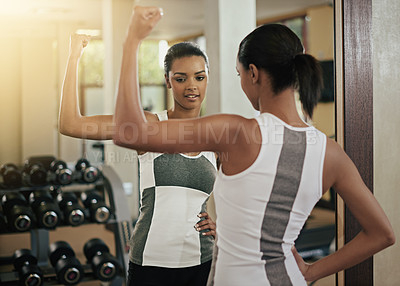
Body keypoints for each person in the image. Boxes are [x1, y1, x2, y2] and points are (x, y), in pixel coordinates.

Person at [112, 6, 395, 286]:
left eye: (239, 75)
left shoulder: (234, 132)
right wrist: (312, 272)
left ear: (253, 73)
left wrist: (131, 42)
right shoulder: (331, 152)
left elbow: (130, 133)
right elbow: (383, 234)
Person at [59, 33, 218, 285]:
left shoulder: (215, 135)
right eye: (181, 78)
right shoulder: (149, 126)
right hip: (152, 261)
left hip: (201, 260)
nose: (192, 86)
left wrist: (220, 224)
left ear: (208, 78)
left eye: (200, 77)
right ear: (167, 81)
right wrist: (74, 57)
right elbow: (70, 124)